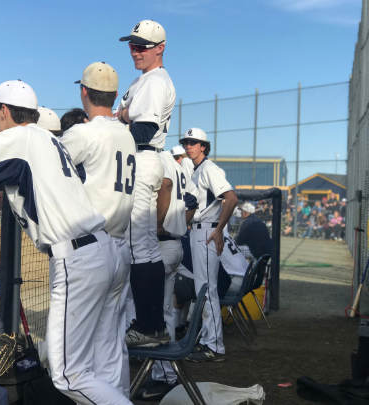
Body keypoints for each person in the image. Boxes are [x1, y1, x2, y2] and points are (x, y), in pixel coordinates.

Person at [0, 80, 131, 405]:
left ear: (3, 111)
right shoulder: (47, 137)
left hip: (77, 259)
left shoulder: (19, 136)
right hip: (106, 250)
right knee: (107, 361)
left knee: (69, 375)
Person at [61, 62, 136, 398]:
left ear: (84, 92)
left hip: (93, 249)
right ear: (116, 94)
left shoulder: (84, 132)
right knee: (110, 345)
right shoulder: (127, 135)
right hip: (121, 246)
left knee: (74, 363)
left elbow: (46, 167)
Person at [117, 20, 176, 346]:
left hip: (143, 157)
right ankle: (152, 325)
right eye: (133, 44)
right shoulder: (145, 80)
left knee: (141, 248)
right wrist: (123, 117)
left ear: (160, 48)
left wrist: (114, 130)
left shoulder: (155, 81)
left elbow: (145, 130)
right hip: (143, 160)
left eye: (143, 45)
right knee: (145, 247)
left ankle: (150, 326)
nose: (135, 50)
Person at [136, 149, 198, 400]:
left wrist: (160, 223)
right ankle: (164, 375)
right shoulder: (177, 164)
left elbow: (165, 186)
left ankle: (165, 376)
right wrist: (179, 225)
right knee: (165, 311)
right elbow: (192, 201)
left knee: (156, 312)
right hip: (174, 244)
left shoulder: (158, 160)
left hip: (162, 244)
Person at [180, 127, 238, 362]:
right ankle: (207, 341)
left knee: (207, 289)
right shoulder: (197, 170)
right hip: (198, 231)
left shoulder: (209, 168)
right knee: (202, 290)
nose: (188, 146)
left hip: (206, 231)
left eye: (194, 142)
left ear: (204, 146)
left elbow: (231, 198)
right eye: (186, 142)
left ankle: (214, 347)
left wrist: (219, 229)